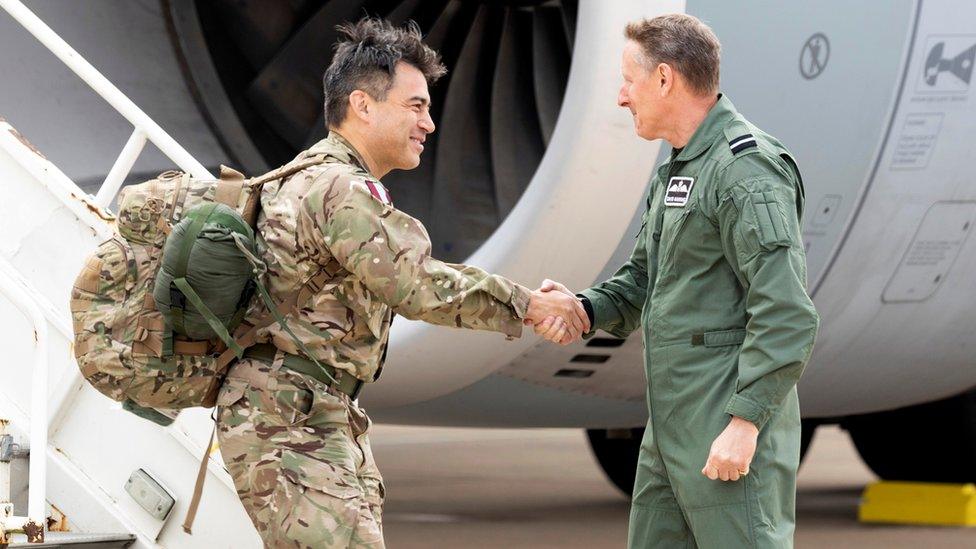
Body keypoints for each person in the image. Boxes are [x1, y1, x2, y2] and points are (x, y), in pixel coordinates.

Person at [215, 17, 588, 548]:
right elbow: (417, 284)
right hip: (288, 424)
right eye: (416, 106)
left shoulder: (313, 178)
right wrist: (528, 305)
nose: (429, 124)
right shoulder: (340, 190)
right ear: (363, 105)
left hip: (315, 412)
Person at [535, 14, 819, 548]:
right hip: (670, 430)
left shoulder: (746, 171)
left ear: (664, 79)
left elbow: (786, 313)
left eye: (629, 80)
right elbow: (646, 278)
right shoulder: (681, 170)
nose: (622, 97)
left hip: (726, 424)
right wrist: (583, 308)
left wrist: (745, 424)